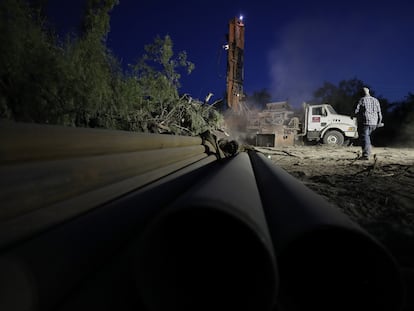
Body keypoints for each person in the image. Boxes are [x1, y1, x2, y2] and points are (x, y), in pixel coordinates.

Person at [354, 87, 383, 160]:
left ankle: (366, 155)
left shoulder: (362, 100)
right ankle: (368, 151)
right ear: (369, 92)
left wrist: (354, 116)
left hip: (366, 122)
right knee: (367, 137)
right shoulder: (376, 100)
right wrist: (379, 122)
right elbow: (379, 113)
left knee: (365, 137)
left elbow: (356, 111)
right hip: (374, 123)